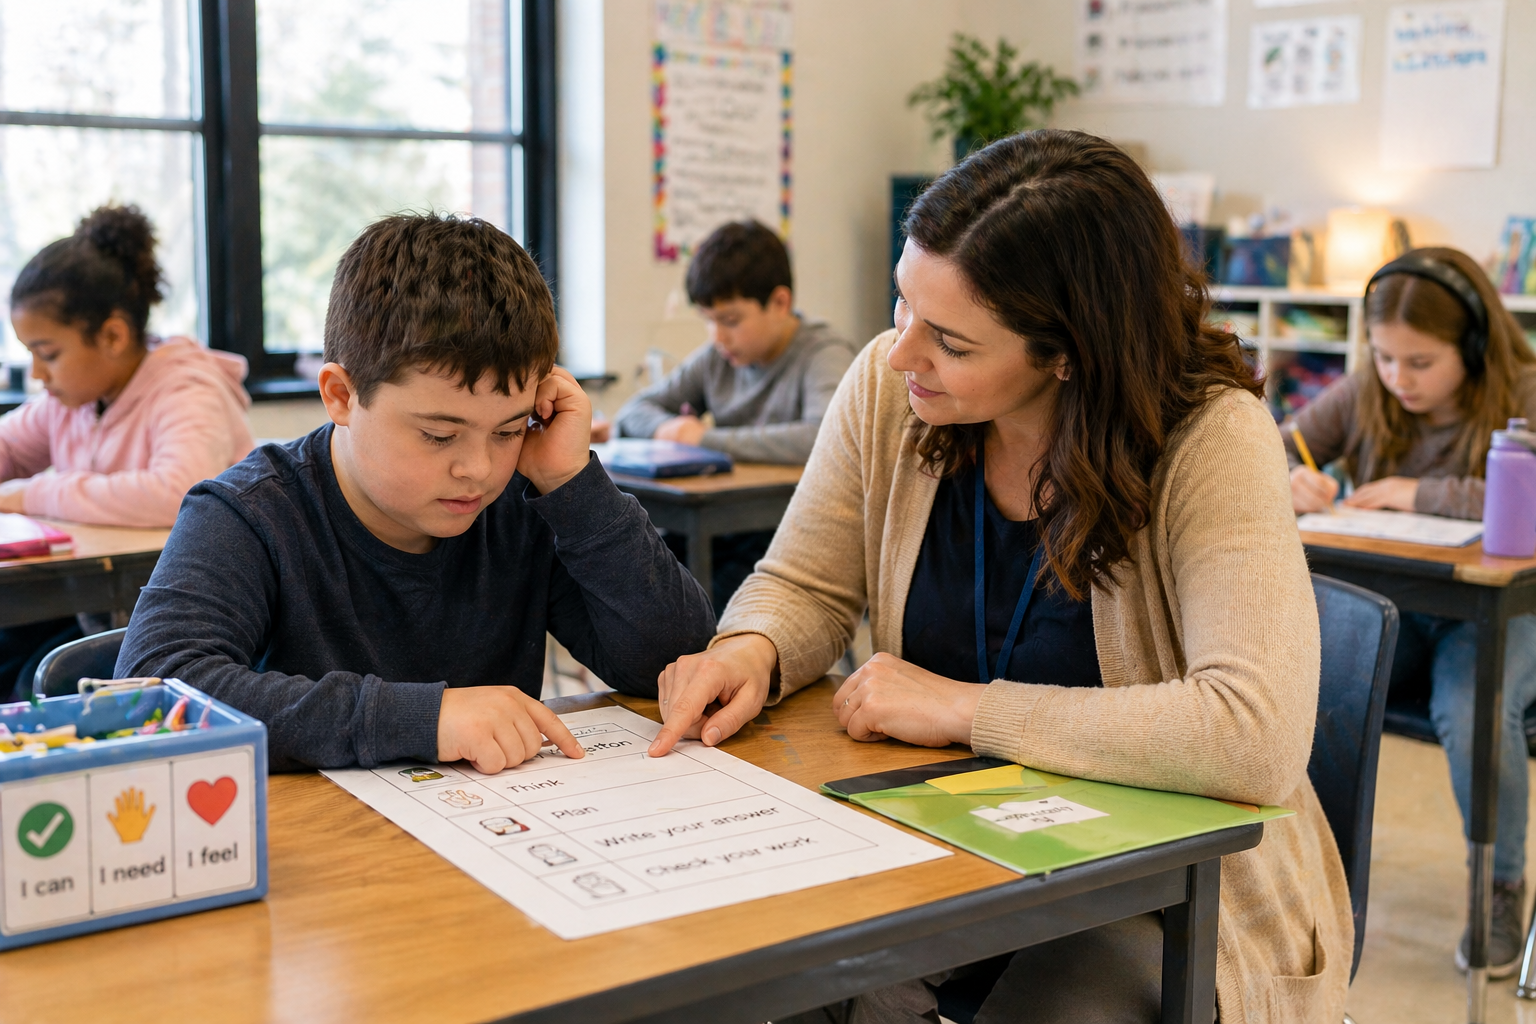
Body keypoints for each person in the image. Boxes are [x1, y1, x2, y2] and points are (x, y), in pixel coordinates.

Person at [647, 131, 1351, 1023]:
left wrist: (964, 708)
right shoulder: (888, 385)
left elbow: (1254, 734)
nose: (903, 354)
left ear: (1069, 353)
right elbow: (805, 584)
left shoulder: (1211, 435)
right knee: (748, 981)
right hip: (942, 845)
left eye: (951, 340)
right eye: (902, 305)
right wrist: (749, 649)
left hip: (1158, 893)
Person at [116, 213, 715, 772]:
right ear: (342, 397)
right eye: (438, 434)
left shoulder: (520, 500)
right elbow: (153, 693)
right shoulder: (250, 514)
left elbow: (670, 660)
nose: (477, 469)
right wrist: (424, 719)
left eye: (508, 430)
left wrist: (574, 482)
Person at [1286, 246, 1536, 977]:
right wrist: (1291, 472)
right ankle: (1301, 874)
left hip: (1493, 616)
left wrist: (1413, 491)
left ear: (1473, 344)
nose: (1399, 379)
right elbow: (1276, 443)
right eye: (1385, 358)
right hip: (1396, 608)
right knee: (1309, 691)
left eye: (1420, 363)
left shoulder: (1522, 387)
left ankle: (1499, 886)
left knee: (1473, 710)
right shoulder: (1369, 388)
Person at [0, 204, 254, 700]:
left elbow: (177, 492)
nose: (36, 375)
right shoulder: (72, 399)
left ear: (113, 335)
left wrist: (28, 495)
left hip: (189, 631)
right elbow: (9, 444)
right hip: (95, 609)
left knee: (29, 681)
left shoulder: (186, 390)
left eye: (48, 354)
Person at [608, 219, 857, 611]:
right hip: (718, 529)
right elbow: (633, 412)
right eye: (708, 320)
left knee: (695, 607)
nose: (717, 337)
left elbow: (823, 437)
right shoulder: (718, 357)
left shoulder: (823, 354)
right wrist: (669, 428)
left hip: (787, 538)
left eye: (730, 320)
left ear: (779, 302)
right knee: (639, 583)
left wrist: (702, 440)